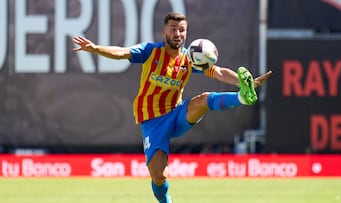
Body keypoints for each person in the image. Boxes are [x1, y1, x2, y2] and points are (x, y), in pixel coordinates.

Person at [73, 12, 271, 203]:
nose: (178, 34)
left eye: (182, 30)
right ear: (164, 32)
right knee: (160, 177)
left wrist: (246, 82)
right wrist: (96, 49)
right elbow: (122, 52)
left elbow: (218, 72)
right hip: (152, 122)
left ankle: (242, 97)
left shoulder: (190, 58)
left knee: (203, 100)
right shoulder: (151, 51)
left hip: (176, 115)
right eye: (173, 29)